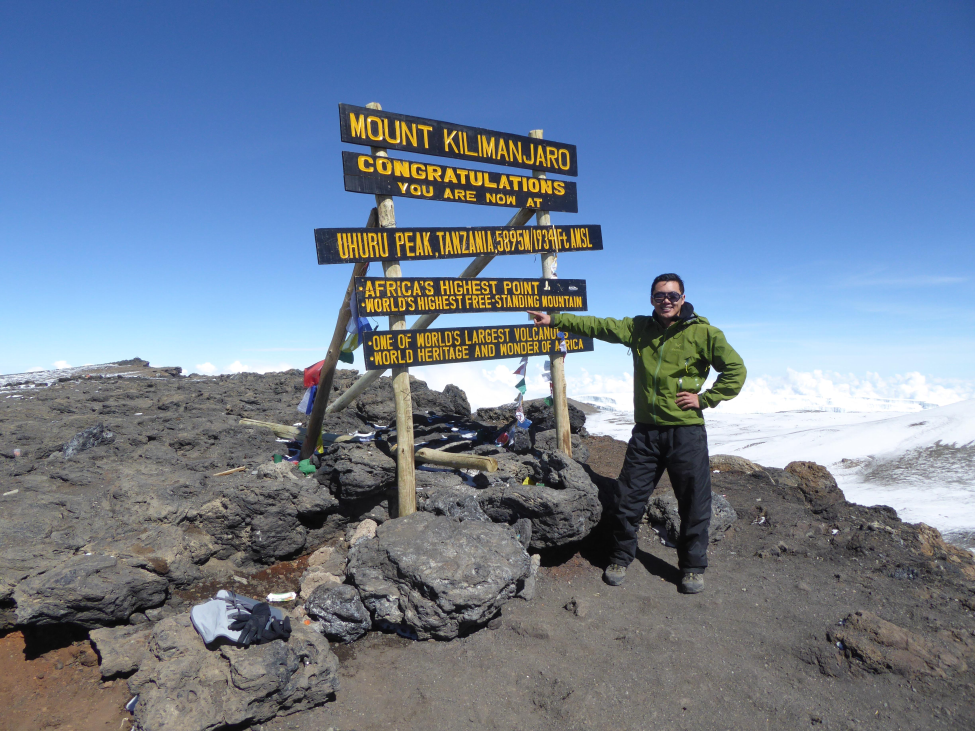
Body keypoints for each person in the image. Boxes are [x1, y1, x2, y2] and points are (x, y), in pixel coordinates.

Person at [527, 273, 745, 594]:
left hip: (686, 433)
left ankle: (693, 567)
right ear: (652, 299)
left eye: (672, 295)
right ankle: (620, 556)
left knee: (694, 502)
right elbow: (599, 326)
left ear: (683, 298)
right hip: (645, 433)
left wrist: (705, 398)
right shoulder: (639, 328)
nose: (666, 300)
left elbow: (735, 370)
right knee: (627, 498)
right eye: (660, 296)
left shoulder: (704, 333)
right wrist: (555, 319)